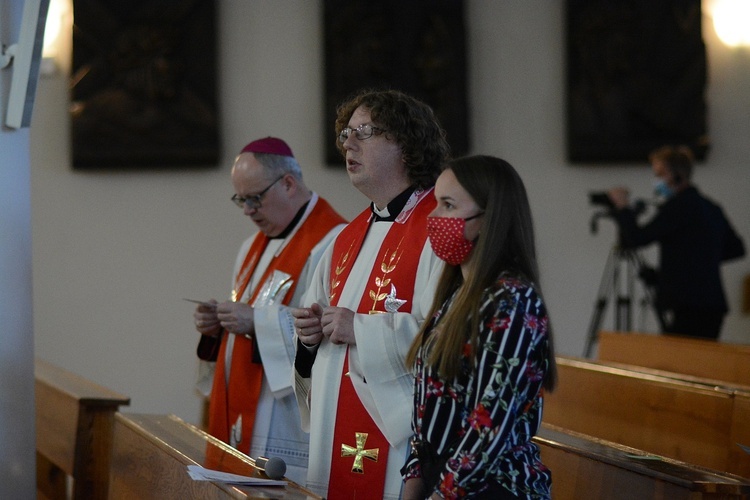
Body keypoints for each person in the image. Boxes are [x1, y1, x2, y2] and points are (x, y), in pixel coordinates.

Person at [291, 89, 450, 499]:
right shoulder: (346, 239)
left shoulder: (439, 228)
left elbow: (448, 337)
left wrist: (358, 328)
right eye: (346, 134)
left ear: (406, 143)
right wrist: (308, 335)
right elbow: (319, 325)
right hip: (335, 423)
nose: (349, 144)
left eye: (365, 132)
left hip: (400, 437)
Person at [401, 155, 557, 499]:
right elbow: (426, 402)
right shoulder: (455, 293)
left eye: (448, 204)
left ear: (489, 218)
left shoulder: (513, 301)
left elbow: (490, 423)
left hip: (492, 486)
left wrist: (442, 494)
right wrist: (414, 475)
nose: (433, 216)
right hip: (441, 478)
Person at [192, 137, 346, 483]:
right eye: (240, 200)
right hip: (245, 412)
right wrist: (216, 325)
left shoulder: (333, 242)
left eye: (254, 198)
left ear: (288, 184)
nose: (247, 210)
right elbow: (248, 317)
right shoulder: (252, 246)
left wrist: (255, 321)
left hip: (287, 418)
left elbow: (329, 333)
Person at [608, 145, 745, 340]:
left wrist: (622, 208)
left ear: (677, 175)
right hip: (713, 305)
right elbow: (736, 248)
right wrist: (698, 262)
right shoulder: (710, 207)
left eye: (660, 174)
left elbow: (636, 238)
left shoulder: (678, 207)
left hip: (687, 304)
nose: (657, 180)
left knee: (681, 363)